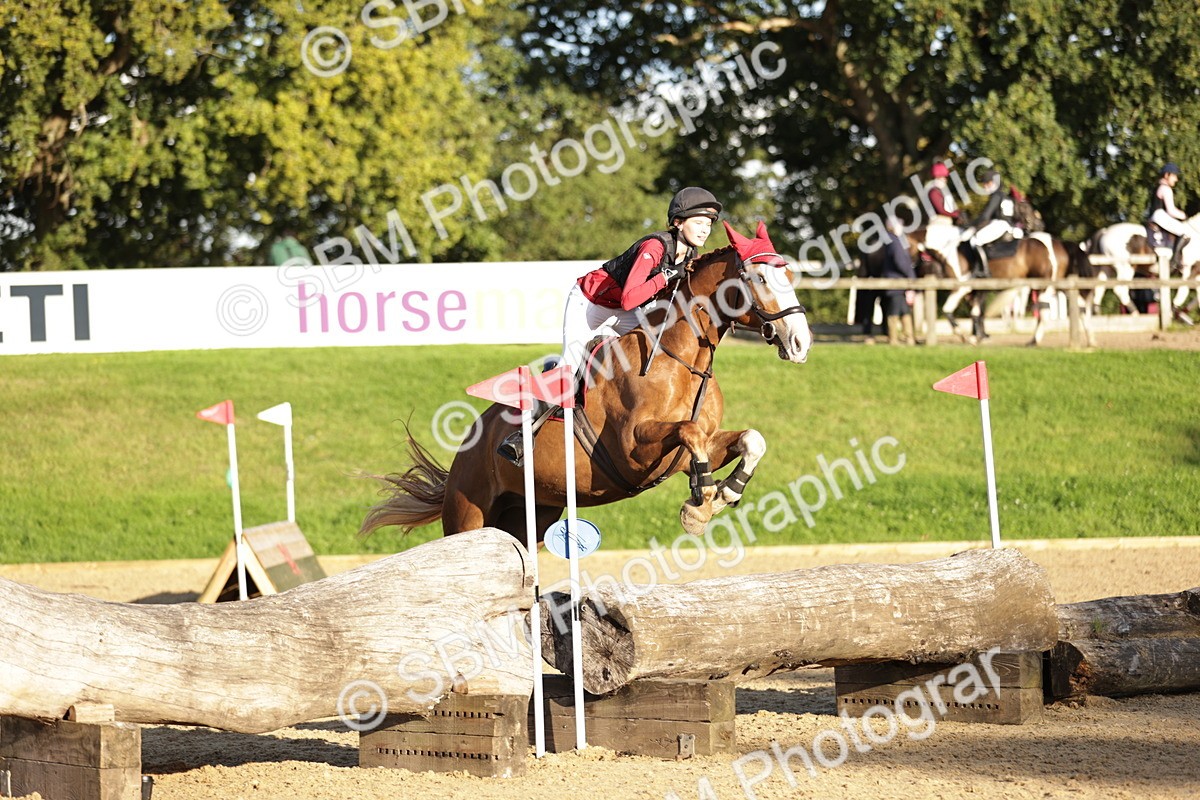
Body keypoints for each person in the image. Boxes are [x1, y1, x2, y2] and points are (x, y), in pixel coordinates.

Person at [497, 186, 722, 467]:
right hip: (590, 303)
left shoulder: (688, 256)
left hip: (622, 310)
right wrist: (663, 278)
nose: (704, 231)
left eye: (709, 225)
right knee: (570, 363)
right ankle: (522, 433)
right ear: (678, 222)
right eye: (698, 223)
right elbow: (630, 298)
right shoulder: (655, 247)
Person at [962, 169, 1020, 277]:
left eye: (987, 183)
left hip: (1000, 224)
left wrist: (969, 224)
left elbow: (985, 216)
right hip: (1009, 225)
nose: (984, 186)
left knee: (974, 240)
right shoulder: (1005, 195)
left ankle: (983, 270)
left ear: (993, 182)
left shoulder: (996, 196)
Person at [1145, 163, 1191, 268]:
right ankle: (1174, 260)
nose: (1176, 179)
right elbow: (1171, 211)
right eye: (1174, 176)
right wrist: (1183, 215)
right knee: (1185, 232)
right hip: (1159, 215)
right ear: (1167, 175)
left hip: (1155, 215)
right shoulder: (1165, 188)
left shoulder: (1157, 186)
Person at [922, 162, 964, 275]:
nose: (945, 180)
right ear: (938, 177)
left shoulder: (942, 191)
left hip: (947, 223)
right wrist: (956, 214)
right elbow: (941, 210)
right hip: (938, 224)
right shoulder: (934, 191)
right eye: (944, 177)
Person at [880, 217, 917, 345]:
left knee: (904, 311)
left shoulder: (891, 240)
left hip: (898, 285)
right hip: (897, 284)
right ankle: (894, 339)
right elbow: (901, 262)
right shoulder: (895, 242)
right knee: (895, 313)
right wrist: (911, 276)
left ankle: (909, 338)